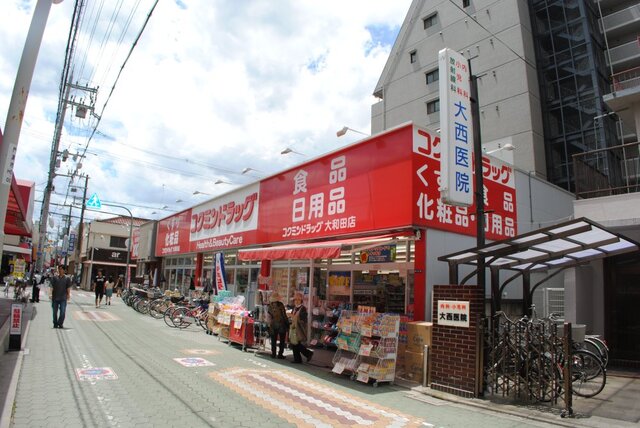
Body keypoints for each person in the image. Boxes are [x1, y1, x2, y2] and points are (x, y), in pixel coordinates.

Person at [289, 291, 313, 364]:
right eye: (295, 300)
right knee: (294, 343)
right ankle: (298, 358)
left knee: (296, 343)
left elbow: (303, 320)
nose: (296, 301)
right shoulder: (294, 308)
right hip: (294, 327)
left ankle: (307, 354)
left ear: (301, 300)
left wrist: (294, 317)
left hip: (299, 328)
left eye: (298, 300)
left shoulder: (303, 309)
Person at [267, 292, 288, 359]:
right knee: (282, 340)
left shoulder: (270, 306)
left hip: (273, 324)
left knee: (273, 340)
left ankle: (273, 353)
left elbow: (269, 315)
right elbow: (284, 315)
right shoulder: (280, 305)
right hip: (281, 324)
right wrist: (287, 323)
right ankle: (280, 354)